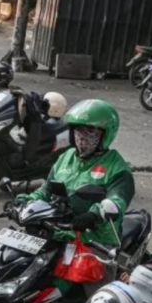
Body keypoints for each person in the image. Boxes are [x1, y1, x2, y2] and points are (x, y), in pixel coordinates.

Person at [19, 98, 134, 251]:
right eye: (78, 130)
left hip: (95, 240)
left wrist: (94, 215)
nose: (82, 136)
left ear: (106, 134)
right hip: (58, 232)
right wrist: (24, 201)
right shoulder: (66, 157)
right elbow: (46, 190)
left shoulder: (118, 168)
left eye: (90, 131)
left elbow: (117, 201)